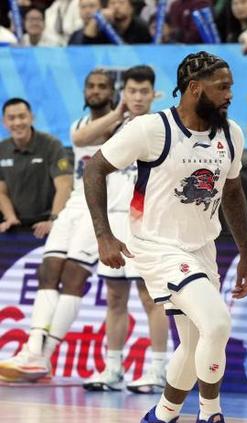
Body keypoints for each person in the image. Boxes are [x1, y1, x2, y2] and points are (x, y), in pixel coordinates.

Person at [83, 51, 247, 423]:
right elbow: (94, 169)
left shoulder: (231, 134)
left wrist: (246, 254)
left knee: (194, 346)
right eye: (222, 87)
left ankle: (162, 418)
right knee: (217, 323)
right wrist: (104, 235)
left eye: (230, 87)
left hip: (202, 247)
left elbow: (232, 192)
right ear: (195, 88)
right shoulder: (151, 129)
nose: (230, 94)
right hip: (157, 246)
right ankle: (211, 418)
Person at [0, 72, 110, 382]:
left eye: (102, 86)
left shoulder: (125, 125)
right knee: (47, 272)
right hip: (76, 204)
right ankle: (33, 350)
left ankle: (43, 356)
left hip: (103, 207)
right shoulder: (78, 126)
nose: (95, 91)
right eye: (91, 86)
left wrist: (122, 111)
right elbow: (81, 143)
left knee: (73, 276)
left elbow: (61, 181)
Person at [74, 66, 169, 393]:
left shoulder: (161, 126)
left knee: (150, 296)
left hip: (145, 221)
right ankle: (113, 369)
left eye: (144, 92)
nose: (138, 97)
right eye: (132, 91)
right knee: (115, 297)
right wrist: (118, 113)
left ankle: (158, 370)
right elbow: (79, 140)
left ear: (153, 94)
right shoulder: (112, 125)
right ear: (123, 93)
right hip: (113, 220)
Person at [0, 98, 72, 238]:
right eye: (11, 118)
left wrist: (53, 220)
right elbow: (1, 192)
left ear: (32, 118)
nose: (17, 123)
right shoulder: (2, 149)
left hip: (48, 222)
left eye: (22, 116)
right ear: (4, 122)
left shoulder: (52, 144)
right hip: (17, 224)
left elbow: (65, 185)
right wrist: (10, 218)